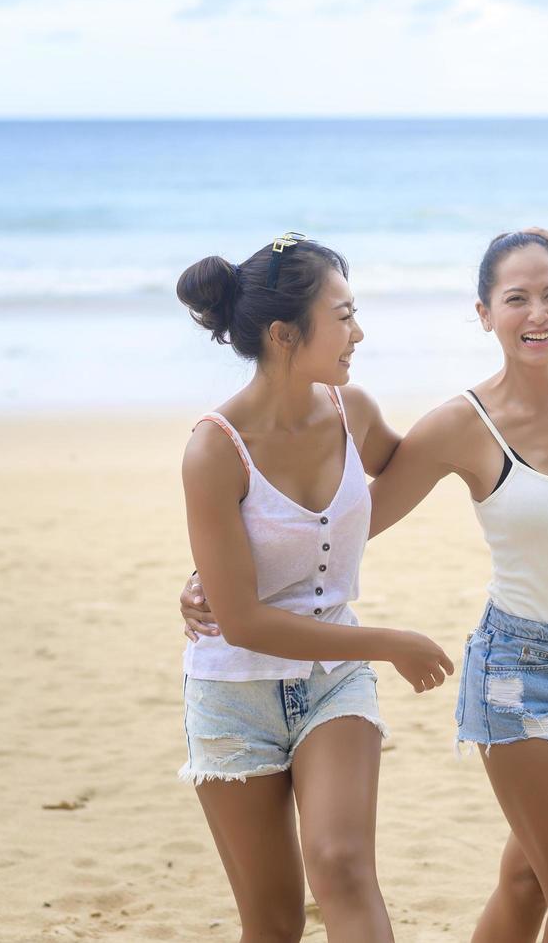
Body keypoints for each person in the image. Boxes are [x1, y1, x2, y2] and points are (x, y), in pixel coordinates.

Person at [183, 227, 548, 941]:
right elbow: (334, 523)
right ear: (483, 314)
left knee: (515, 879)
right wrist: (214, 578)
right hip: (508, 671)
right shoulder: (454, 424)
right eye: (515, 299)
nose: (537, 313)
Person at [175, 232, 455, 943]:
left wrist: (508, 396)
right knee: (271, 924)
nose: (358, 332)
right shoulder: (214, 449)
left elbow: (402, 474)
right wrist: (389, 641)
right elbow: (239, 621)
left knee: (342, 866)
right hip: (233, 695)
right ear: (284, 334)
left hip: (334, 680)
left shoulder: (351, 410)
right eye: (344, 314)